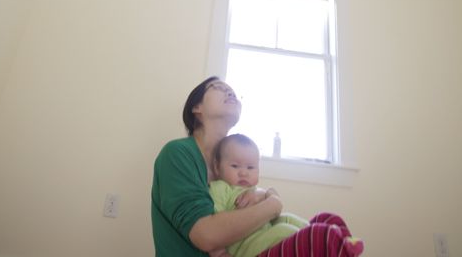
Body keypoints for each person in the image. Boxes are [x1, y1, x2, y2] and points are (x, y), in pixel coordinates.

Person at [151, 76, 364, 257]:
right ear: (196, 107)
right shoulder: (178, 154)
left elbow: (247, 196)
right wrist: (273, 203)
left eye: (233, 92)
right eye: (218, 88)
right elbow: (207, 236)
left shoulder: (230, 163)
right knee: (317, 238)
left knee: (326, 220)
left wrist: (266, 193)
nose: (230, 93)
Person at [209, 133, 364, 257]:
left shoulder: (255, 189)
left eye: (251, 167)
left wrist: (263, 193)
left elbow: (277, 205)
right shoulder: (220, 188)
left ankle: (340, 241)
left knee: (323, 218)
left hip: (265, 234)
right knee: (285, 229)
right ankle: (325, 241)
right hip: (246, 247)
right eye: (235, 166)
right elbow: (213, 225)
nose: (243, 172)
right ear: (217, 167)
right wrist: (220, 253)